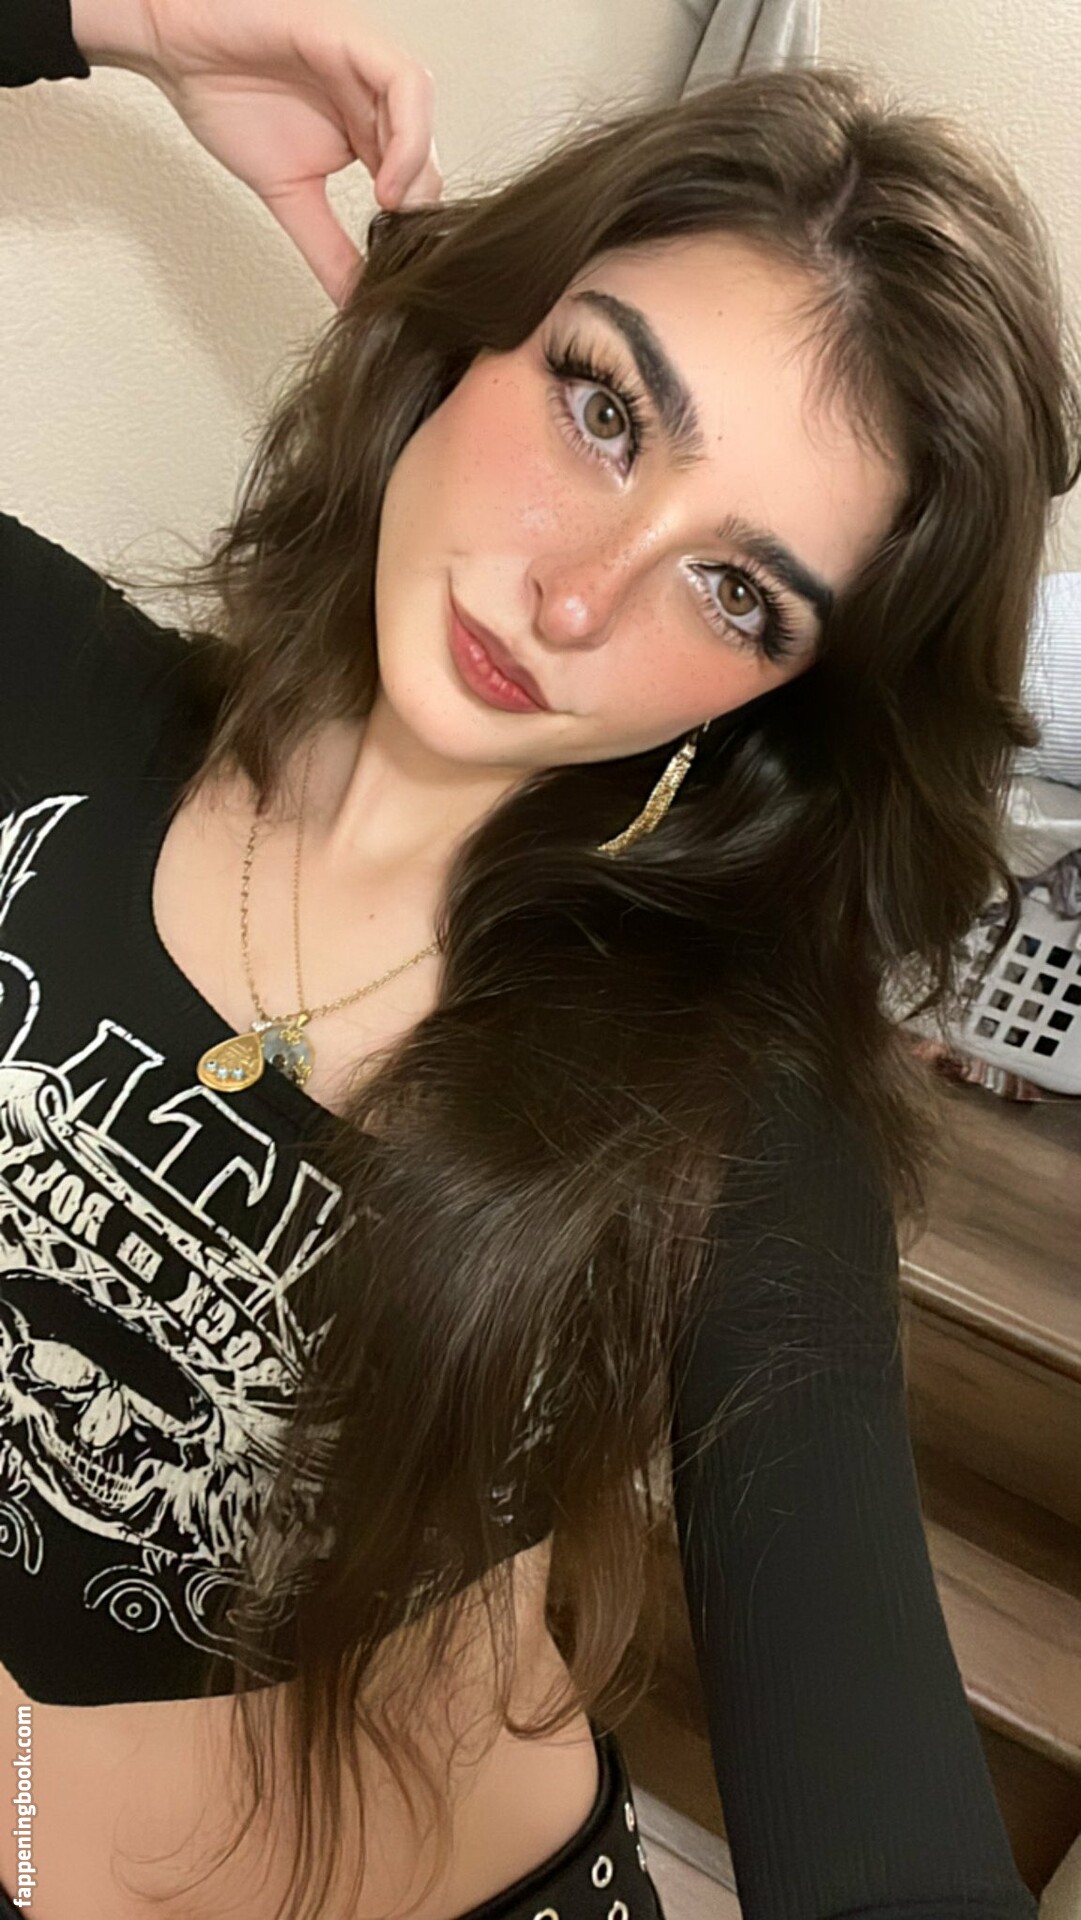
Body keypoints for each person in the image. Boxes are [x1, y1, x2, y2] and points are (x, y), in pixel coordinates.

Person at [0, 2, 1076, 1917]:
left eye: (734, 588)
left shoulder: (730, 1123)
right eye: (602, 409)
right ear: (469, 330)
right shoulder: (37, 681)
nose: (578, 596)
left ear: (775, 701)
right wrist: (106, 21)